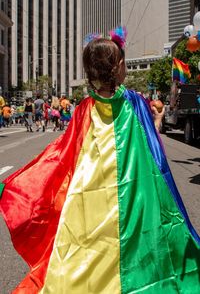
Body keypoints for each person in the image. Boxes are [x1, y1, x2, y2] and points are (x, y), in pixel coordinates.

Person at [0, 27, 199, 293]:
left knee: (93, 240)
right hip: (132, 192)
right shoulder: (136, 102)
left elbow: (61, 154)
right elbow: (153, 151)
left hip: (90, 192)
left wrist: (23, 185)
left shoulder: (83, 109)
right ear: (119, 68)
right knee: (133, 238)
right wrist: (158, 122)